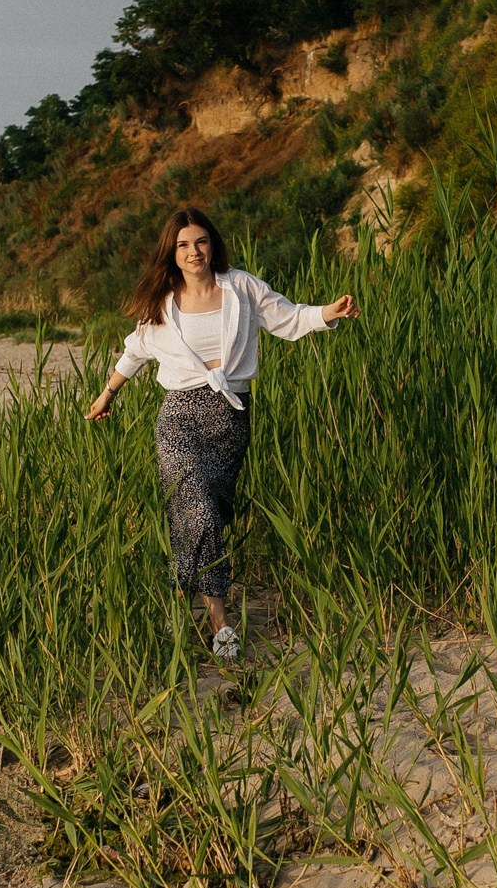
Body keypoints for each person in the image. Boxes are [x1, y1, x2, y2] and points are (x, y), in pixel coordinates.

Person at [85, 207, 358, 659]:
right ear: (172, 253)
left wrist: (330, 311)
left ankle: (179, 596)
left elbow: (288, 318)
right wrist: (106, 395)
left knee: (205, 515)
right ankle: (220, 621)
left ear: (213, 245)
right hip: (179, 417)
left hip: (230, 418)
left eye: (201, 241)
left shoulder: (241, 288)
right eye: (183, 245)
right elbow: (135, 352)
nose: (194, 252)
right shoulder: (162, 303)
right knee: (199, 511)